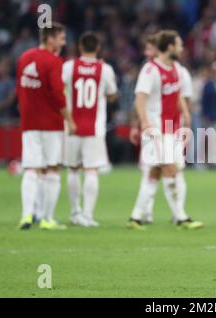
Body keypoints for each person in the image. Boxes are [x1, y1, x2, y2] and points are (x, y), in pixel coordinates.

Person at [128, 30, 203, 230]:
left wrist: (185, 112)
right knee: (171, 169)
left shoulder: (176, 69)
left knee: (154, 172)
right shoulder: (150, 70)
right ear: (169, 46)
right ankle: (180, 216)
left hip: (172, 129)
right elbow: (140, 98)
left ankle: (135, 217)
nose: (181, 48)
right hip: (156, 129)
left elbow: (177, 93)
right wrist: (144, 122)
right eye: (178, 44)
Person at [17, 22, 76, 230]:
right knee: (52, 168)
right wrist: (69, 119)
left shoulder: (24, 58)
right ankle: (47, 218)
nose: (64, 41)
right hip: (51, 123)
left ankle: (27, 215)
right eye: (61, 38)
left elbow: (20, 90)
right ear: (50, 38)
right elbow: (58, 94)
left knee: (32, 168)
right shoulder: (54, 61)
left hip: (29, 123)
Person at [62, 32, 118, 227]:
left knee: (73, 169)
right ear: (98, 48)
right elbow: (112, 95)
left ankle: (74, 212)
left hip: (71, 126)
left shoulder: (69, 67)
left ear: (79, 47)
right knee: (91, 170)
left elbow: (59, 90)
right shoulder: (105, 69)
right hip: (94, 128)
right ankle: (87, 214)